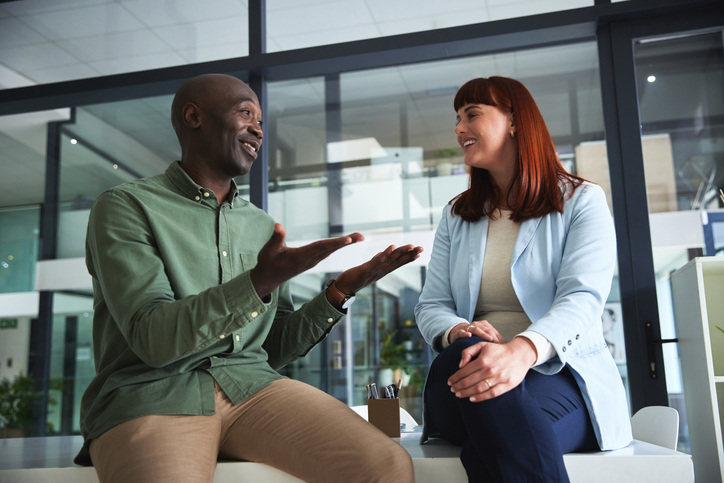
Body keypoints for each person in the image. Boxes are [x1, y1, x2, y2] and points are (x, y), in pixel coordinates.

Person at [74, 73, 422, 483]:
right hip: (152, 392)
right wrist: (256, 283)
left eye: (260, 119)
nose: (258, 128)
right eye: (245, 113)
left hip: (253, 389)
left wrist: (337, 293)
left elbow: (270, 347)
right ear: (193, 117)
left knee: (387, 467)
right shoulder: (125, 206)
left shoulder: (261, 226)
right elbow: (153, 340)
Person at [414, 76, 632, 482]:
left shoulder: (581, 201)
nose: (459, 128)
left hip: (559, 376)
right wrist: (458, 330)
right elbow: (431, 305)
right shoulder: (455, 215)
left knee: (498, 441)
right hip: (463, 373)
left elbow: (582, 298)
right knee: (476, 359)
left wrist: (520, 352)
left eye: (472, 114)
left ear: (514, 120)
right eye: (457, 118)